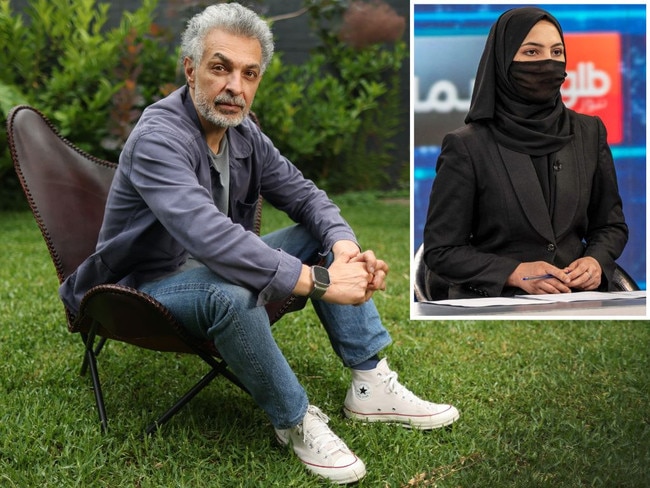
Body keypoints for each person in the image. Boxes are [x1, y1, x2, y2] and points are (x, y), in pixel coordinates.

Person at [59, 3, 459, 484]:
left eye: (250, 74)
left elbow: (305, 195)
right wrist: (318, 279)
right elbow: (207, 233)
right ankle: (294, 420)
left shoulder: (244, 133)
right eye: (220, 68)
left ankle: (370, 385)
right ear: (190, 69)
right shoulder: (158, 138)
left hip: (214, 269)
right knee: (229, 294)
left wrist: (343, 247)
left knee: (318, 234)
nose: (236, 87)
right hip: (145, 287)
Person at [422, 6, 628, 300]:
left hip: (580, 298)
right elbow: (441, 251)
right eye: (532, 52)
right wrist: (513, 272)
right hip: (497, 301)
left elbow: (610, 225)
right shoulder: (467, 145)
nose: (548, 62)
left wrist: (596, 260)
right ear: (504, 61)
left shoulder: (590, 131)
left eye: (557, 53)